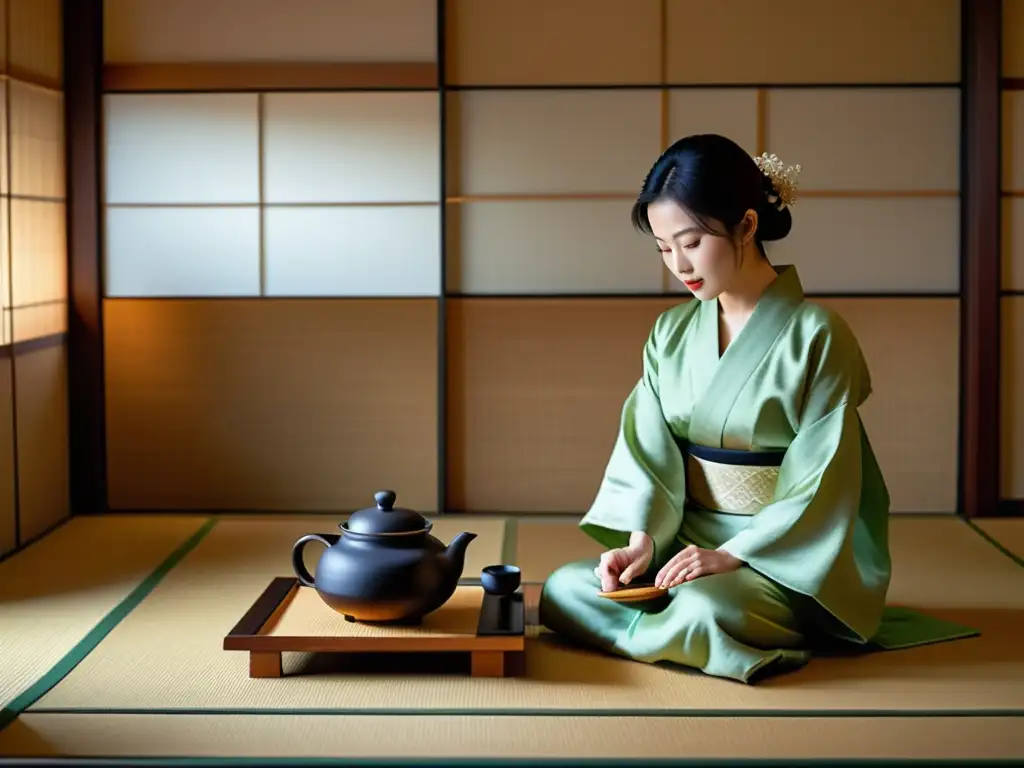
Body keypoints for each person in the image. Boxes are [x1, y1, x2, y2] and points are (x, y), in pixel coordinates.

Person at [538, 134, 977, 684]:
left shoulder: (818, 335)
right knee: (562, 589)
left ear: (747, 226)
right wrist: (643, 541)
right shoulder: (671, 333)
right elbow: (646, 454)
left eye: (692, 242)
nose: (679, 265)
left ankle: (683, 630)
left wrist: (736, 553)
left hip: (781, 558)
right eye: (664, 248)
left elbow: (825, 479)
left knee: (706, 606)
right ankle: (686, 638)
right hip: (683, 541)